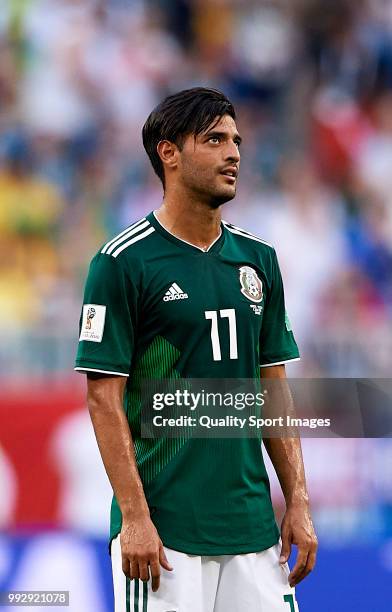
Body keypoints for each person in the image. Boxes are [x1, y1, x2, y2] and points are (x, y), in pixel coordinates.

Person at [75, 87, 318, 612]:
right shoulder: (122, 262)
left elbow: (274, 391)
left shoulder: (259, 259)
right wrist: (134, 516)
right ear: (169, 153)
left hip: (254, 530)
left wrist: (297, 499)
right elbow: (103, 399)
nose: (234, 153)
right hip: (165, 534)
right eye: (214, 139)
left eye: (236, 140)